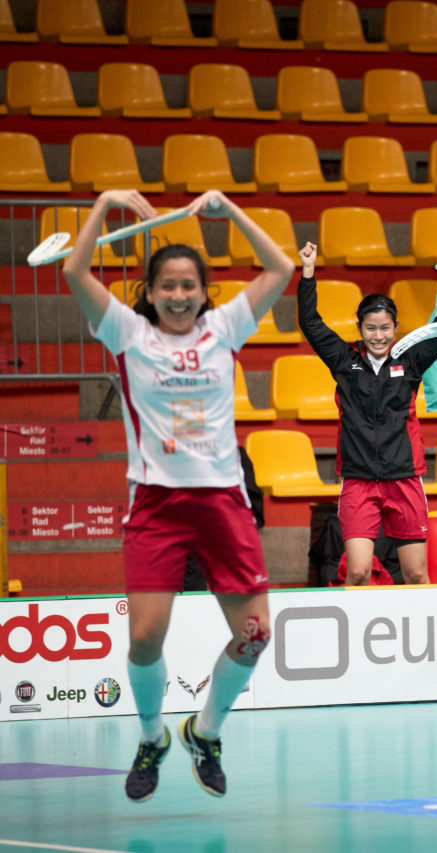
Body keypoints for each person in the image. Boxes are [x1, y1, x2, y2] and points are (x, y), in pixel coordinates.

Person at [62, 188, 293, 801]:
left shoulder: (225, 327)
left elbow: (280, 268)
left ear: (203, 291)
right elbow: (75, 272)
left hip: (223, 502)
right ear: (151, 291)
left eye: (189, 284)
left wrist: (231, 212)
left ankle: (205, 732)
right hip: (157, 504)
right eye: (167, 285)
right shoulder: (127, 332)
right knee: (144, 638)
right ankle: (151, 737)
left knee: (255, 634)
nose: (179, 294)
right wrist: (106, 203)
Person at [296, 243, 437, 586]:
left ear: (396, 327)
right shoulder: (344, 361)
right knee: (357, 572)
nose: (378, 336)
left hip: (404, 477)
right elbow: (310, 323)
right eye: (370, 328)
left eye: (385, 328)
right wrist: (308, 274)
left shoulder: (410, 361)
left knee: (416, 574)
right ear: (360, 328)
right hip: (358, 479)